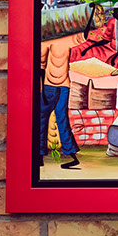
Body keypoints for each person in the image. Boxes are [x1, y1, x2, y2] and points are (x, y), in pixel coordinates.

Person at [39, 31, 86, 168]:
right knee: (45, 120)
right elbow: (40, 68)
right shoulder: (48, 42)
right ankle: (41, 155)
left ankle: (68, 154)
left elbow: (84, 36)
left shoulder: (66, 40)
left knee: (55, 119)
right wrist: (41, 91)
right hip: (51, 87)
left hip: (61, 87)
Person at [70, 1, 118, 68]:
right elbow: (106, 39)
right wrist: (91, 47)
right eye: (114, 11)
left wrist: (117, 55)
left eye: (116, 11)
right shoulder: (112, 21)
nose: (113, 13)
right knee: (85, 49)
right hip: (109, 49)